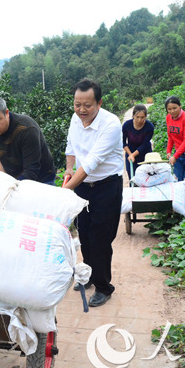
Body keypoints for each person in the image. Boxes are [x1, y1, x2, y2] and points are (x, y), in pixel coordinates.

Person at [63, 79, 124, 307]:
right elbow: (71, 148)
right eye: (77, 104)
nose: (81, 110)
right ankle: (87, 276)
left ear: (99, 103)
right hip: (82, 186)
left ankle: (103, 286)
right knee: (85, 234)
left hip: (106, 186)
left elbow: (91, 163)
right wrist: (69, 170)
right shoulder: (75, 118)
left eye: (87, 105)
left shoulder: (111, 124)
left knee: (100, 238)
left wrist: (64, 191)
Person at [0, 96, 57, 185]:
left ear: (6, 113)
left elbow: (31, 171)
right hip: (15, 178)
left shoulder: (26, 129)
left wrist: (11, 187)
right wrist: (4, 176)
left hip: (42, 179)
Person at [122, 104, 154, 174]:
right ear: (133, 116)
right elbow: (123, 143)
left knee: (146, 176)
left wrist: (133, 155)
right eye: (137, 117)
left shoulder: (149, 126)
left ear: (145, 117)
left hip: (145, 154)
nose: (139, 120)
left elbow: (145, 144)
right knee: (132, 176)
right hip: (130, 152)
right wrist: (130, 155)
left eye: (142, 117)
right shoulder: (127, 125)